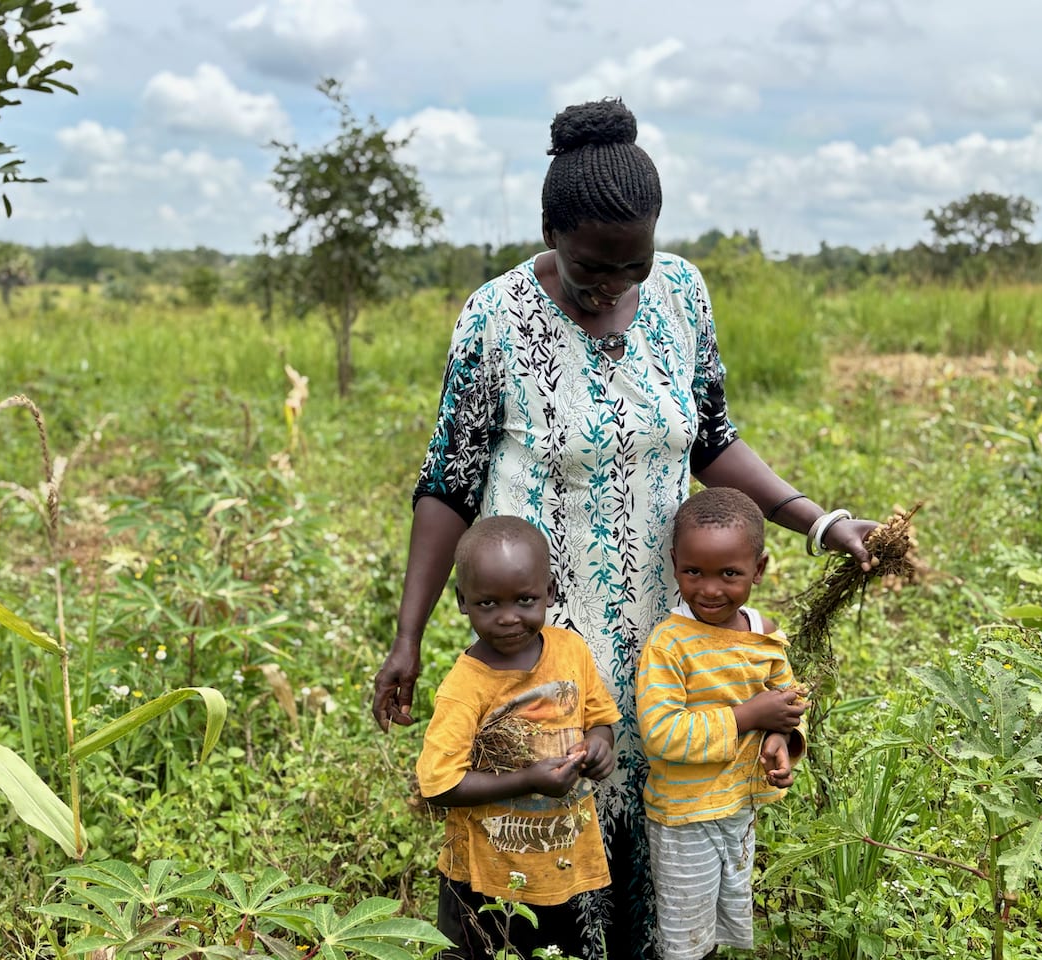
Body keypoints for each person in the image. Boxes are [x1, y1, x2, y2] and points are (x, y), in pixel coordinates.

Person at [375, 97, 876, 959]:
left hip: (666, 626)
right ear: (550, 233)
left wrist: (817, 519)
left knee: (664, 803)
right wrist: (408, 636)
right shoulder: (495, 318)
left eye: (630, 265)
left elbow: (713, 438)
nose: (611, 285)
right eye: (589, 267)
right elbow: (448, 484)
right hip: (540, 633)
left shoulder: (681, 294)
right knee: (543, 828)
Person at [416, 515, 621, 960]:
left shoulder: (571, 651)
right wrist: (528, 780)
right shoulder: (465, 687)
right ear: (462, 601)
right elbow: (440, 784)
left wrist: (601, 746)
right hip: (483, 880)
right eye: (488, 604)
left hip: (566, 866)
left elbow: (600, 719)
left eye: (525, 600)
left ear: (549, 592)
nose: (509, 618)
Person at [636, 487, 805, 959]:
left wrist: (778, 737)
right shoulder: (669, 645)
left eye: (729, 574)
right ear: (674, 564)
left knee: (717, 924)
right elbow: (663, 732)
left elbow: (787, 699)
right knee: (685, 938)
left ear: (759, 569)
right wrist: (750, 716)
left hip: (739, 808)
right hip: (685, 817)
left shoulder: (763, 633)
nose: (710, 589)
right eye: (694, 572)